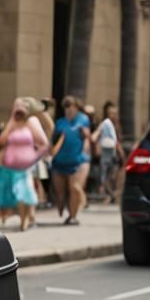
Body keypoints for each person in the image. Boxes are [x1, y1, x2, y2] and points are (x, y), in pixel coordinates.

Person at [0, 98, 48, 231]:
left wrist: (34, 158)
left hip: (26, 167)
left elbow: (44, 143)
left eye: (22, 109)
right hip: (10, 167)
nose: (19, 113)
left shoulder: (31, 123)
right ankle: (24, 218)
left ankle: (25, 221)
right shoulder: (12, 124)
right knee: (15, 194)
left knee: (25, 192)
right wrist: (11, 123)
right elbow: (1, 141)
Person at [50, 94, 91, 225]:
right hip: (59, 162)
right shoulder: (60, 123)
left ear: (76, 107)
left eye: (70, 106)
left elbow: (86, 136)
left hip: (78, 161)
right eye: (66, 107)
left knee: (74, 187)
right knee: (61, 195)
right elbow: (54, 141)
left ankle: (73, 216)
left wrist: (86, 143)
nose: (68, 109)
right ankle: (63, 206)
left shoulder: (83, 119)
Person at [91, 100, 123, 203]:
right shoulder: (105, 124)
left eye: (115, 113)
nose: (114, 115)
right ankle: (111, 195)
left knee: (113, 175)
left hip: (115, 154)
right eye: (112, 113)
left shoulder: (116, 126)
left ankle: (112, 194)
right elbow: (97, 136)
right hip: (107, 153)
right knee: (107, 175)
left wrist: (120, 152)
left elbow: (117, 140)